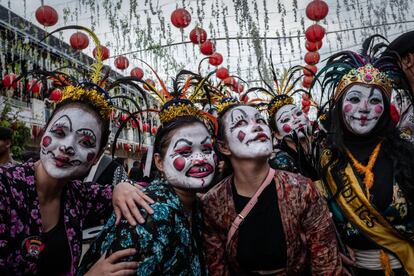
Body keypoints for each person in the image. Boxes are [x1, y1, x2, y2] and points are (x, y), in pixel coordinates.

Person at [0, 26, 154, 275]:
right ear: (43, 134)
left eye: (85, 142)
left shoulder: (79, 197)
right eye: (59, 133)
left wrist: (123, 187)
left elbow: (156, 194)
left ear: (97, 156)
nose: (68, 147)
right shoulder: (5, 187)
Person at [78, 73, 217, 275]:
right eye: (185, 152)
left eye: (206, 149)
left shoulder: (196, 205)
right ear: (159, 162)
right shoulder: (149, 213)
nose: (200, 159)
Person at [200, 102, 342, 275]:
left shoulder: (301, 189)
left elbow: (327, 265)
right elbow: (217, 268)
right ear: (224, 147)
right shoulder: (213, 203)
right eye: (240, 123)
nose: (257, 127)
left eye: (260, 120)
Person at [317, 41, 414, 275]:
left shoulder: (406, 151)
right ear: (339, 105)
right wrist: (332, 247)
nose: (364, 108)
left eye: (374, 101)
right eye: (354, 99)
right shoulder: (324, 160)